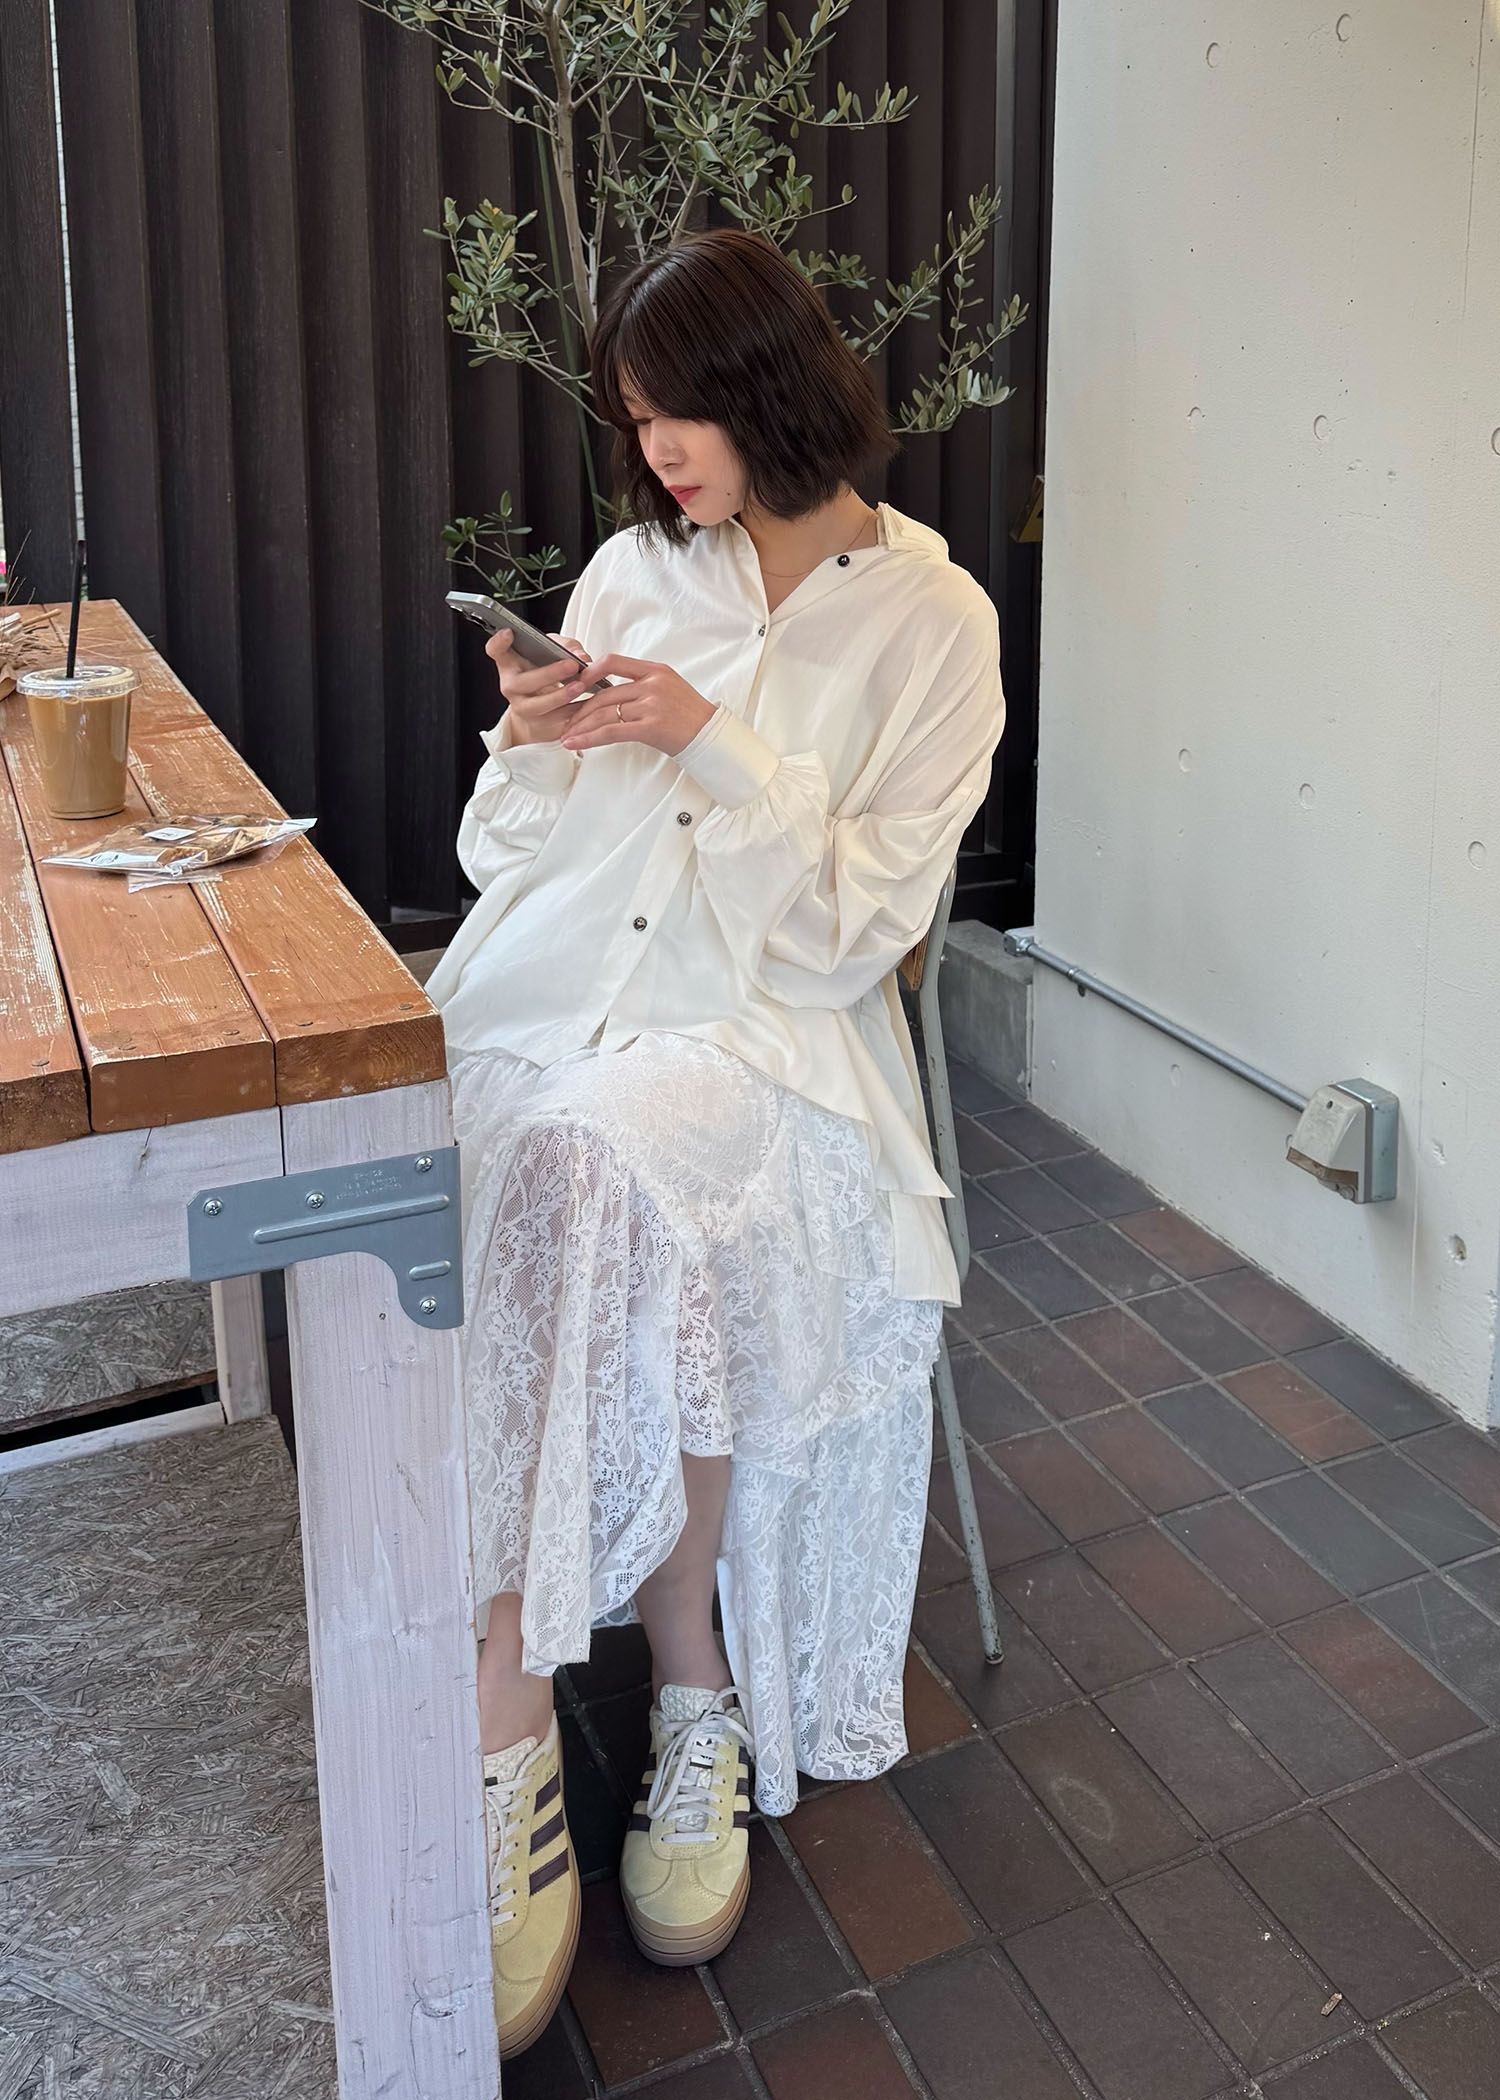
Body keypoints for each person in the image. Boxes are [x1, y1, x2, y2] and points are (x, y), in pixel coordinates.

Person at [425, 225, 1006, 2058]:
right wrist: (537, 739)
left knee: (596, 1171)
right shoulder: (632, 567)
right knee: (472, 1143)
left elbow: (852, 937)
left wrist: (711, 743)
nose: (657, 449)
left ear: (773, 388)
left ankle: (533, 1706)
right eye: (636, 417)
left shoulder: (935, 626)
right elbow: (506, 858)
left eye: (681, 410)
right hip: (558, 996)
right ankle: (657, 1688)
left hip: (771, 1037)